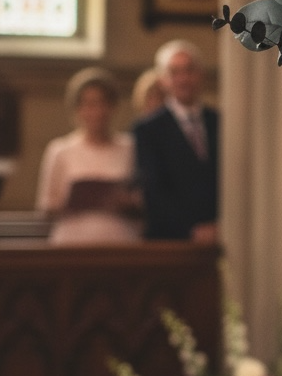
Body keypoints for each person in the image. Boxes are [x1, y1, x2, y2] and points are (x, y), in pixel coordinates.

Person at [36, 67, 142, 245]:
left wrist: (127, 201)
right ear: (77, 109)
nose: (96, 112)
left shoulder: (130, 147)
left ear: (112, 106)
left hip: (120, 242)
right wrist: (74, 200)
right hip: (73, 242)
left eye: (102, 103)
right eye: (89, 104)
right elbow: (46, 206)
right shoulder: (60, 150)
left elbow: (143, 199)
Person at [134, 40, 219, 242]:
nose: (183, 79)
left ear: (200, 74)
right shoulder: (148, 129)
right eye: (174, 72)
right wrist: (192, 230)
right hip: (170, 241)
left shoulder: (220, 122)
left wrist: (221, 225)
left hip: (218, 236)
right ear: (163, 80)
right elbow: (153, 192)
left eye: (189, 70)